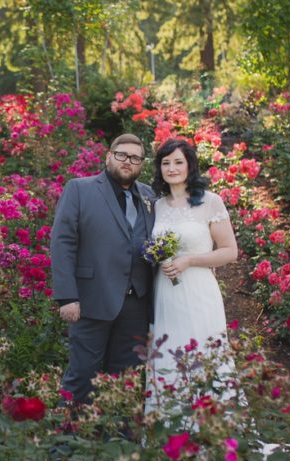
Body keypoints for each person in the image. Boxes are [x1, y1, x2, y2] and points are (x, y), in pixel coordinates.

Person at [50, 133, 157, 405]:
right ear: (109, 156)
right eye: (122, 155)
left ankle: (118, 440)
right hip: (90, 299)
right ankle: (66, 443)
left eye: (135, 158)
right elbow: (63, 242)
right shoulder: (80, 189)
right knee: (82, 374)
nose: (127, 161)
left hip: (136, 303)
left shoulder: (148, 195)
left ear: (141, 164)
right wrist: (67, 296)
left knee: (127, 378)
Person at [144, 138, 239, 417]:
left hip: (199, 292)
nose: (171, 168)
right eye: (165, 163)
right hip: (165, 293)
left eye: (178, 162)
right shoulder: (156, 206)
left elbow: (229, 252)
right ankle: (170, 427)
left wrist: (189, 260)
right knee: (169, 353)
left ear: (190, 166)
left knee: (202, 355)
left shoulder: (210, 202)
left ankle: (214, 429)